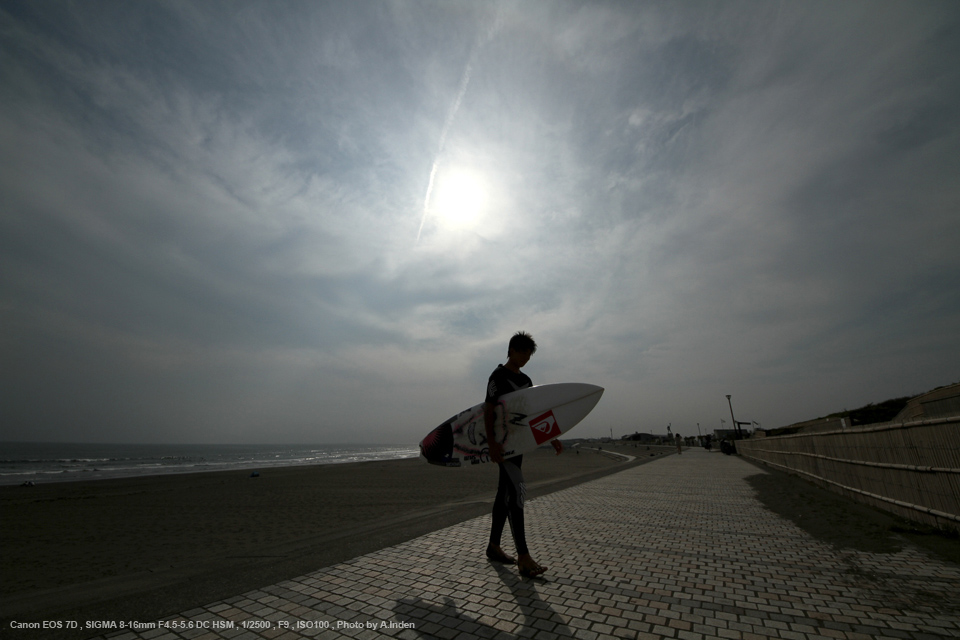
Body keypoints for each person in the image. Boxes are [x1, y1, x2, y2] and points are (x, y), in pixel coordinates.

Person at [483, 331, 562, 578]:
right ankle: (524, 556)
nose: (528, 357)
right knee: (517, 492)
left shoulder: (526, 380)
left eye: (530, 354)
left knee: (503, 494)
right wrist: (493, 444)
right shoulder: (497, 376)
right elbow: (488, 409)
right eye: (524, 352)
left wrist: (552, 437)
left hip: (520, 446)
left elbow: (533, 413)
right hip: (504, 446)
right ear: (512, 350)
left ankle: (494, 546)